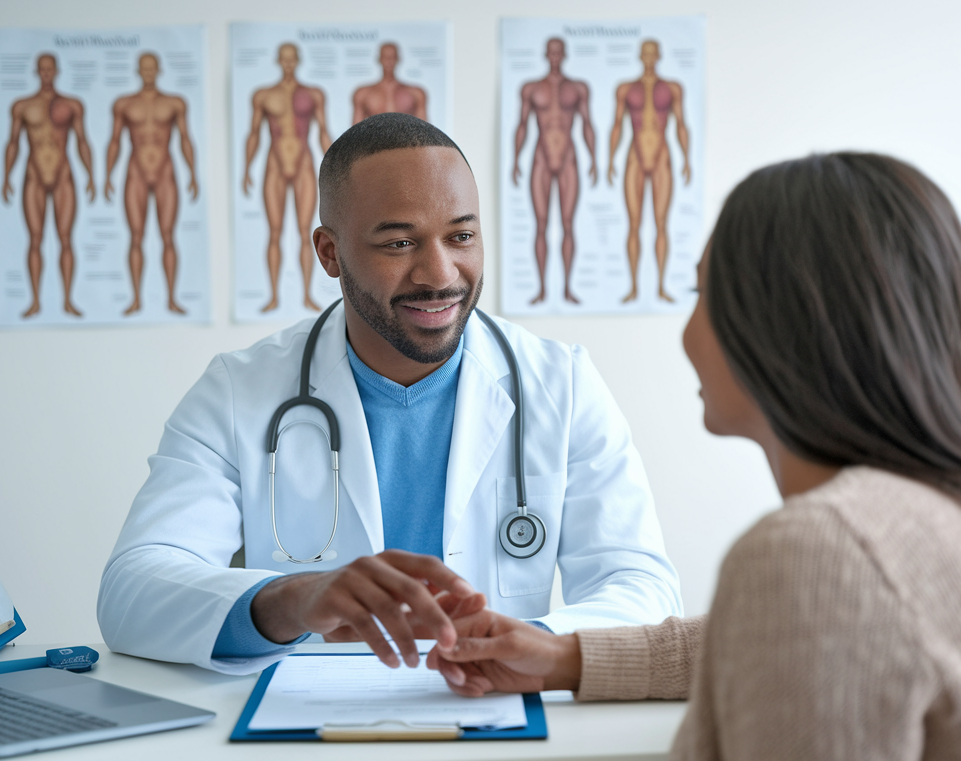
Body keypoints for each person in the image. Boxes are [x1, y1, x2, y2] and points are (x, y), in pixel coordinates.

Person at [428, 153, 961, 761]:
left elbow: (807, 609)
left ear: (781, 325)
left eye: (703, 293)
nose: (686, 331)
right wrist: (562, 659)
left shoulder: (817, 553)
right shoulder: (915, 523)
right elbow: (773, 641)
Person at [99, 113, 681, 675]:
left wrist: (532, 644)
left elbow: (643, 587)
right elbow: (133, 590)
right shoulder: (238, 390)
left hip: (493, 713)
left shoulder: (562, 383)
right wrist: (293, 600)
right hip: (308, 733)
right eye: (400, 243)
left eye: (462, 236)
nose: (440, 273)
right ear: (330, 252)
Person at [103, 52, 198, 317]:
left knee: (168, 236)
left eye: (151, 69)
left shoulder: (174, 103)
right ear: (138, 71)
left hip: (166, 171)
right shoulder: (124, 104)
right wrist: (107, 175)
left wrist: (193, 173)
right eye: (143, 69)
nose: (148, 73)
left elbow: (185, 139)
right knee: (136, 237)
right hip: (136, 172)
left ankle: (170, 298)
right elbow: (114, 141)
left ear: (158, 70)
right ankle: (135, 299)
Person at [2, 53, 96, 319]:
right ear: (37, 71)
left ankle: (67, 299)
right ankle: (35, 301)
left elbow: (82, 141)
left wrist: (91, 175)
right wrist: (6, 176)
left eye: (49, 69)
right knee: (35, 240)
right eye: (41, 69)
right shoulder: (22, 106)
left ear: (56, 71)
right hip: (33, 175)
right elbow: (12, 143)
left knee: (66, 239)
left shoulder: (72, 105)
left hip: (64, 174)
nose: (46, 73)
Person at [243, 43, 332, 314]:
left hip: (304, 163)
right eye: (284, 60)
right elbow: (254, 133)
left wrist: (337, 170)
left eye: (292, 60)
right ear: (278, 61)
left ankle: (306, 294)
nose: (288, 65)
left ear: (298, 61)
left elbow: (323, 132)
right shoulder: (263, 95)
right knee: (274, 233)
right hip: (275, 165)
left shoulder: (313, 94)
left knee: (307, 234)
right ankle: (273, 296)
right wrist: (246, 167)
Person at [512, 38, 597, 306]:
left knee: (568, 225)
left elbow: (587, 124)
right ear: (546, 55)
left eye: (559, 53)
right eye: (551, 53)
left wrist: (594, 158)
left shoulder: (578, 88)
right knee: (541, 225)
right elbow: (522, 124)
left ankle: (568, 288)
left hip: (569, 157)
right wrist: (515, 159)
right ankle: (542, 289)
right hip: (541, 158)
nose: (555, 57)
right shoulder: (531, 88)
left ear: (565, 55)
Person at [609, 40, 690, 304]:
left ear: (659, 56)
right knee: (633, 225)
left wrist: (687, 159)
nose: (649, 59)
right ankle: (633, 286)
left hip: (662, 157)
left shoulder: (672, 88)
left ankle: (660, 286)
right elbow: (617, 126)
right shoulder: (625, 88)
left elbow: (681, 125)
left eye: (653, 54)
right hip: (634, 156)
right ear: (640, 57)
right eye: (645, 54)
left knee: (661, 224)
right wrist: (610, 159)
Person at [352, 43, 427, 123]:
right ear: (379, 59)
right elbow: (355, 132)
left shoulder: (416, 93)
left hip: (405, 135)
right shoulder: (363, 94)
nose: (389, 61)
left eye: (392, 57)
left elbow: (425, 131)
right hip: (375, 135)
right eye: (386, 57)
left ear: (398, 59)